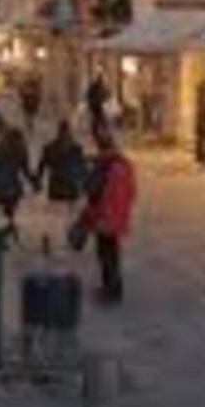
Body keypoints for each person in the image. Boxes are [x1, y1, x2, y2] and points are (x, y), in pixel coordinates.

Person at [73, 129, 137, 305]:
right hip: (118, 215)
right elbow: (132, 191)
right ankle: (115, 288)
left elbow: (91, 190)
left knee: (105, 254)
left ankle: (110, 290)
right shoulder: (124, 164)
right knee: (113, 253)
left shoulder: (104, 167)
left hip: (104, 216)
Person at [0, 114, 36, 238]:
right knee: (8, 213)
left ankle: (0, 232)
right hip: (11, 188)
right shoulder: (20, 151)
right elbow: (26, 171)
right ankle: (9, 231)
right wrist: (35, 182)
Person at [37, 119, 89, 224]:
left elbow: (41, 167)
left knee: (57, 220)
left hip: (56, 187)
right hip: (71, 188)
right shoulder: (76, 148)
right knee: (70, 219)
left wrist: (37, 181)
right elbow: (82, 168)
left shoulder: (49, 147)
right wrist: (86, 184)